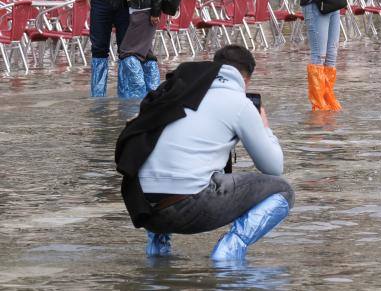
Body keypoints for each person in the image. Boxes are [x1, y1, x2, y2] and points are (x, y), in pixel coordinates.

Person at [115, 45, 293, 260]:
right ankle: (228, 253)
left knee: (175, 166)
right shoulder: (238, 102)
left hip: (141, 207)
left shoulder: (178, 89)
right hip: (187, 208)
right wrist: (265, 126)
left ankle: (158, 254)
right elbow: (273, 167)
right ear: (245, 80)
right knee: (283, 191)